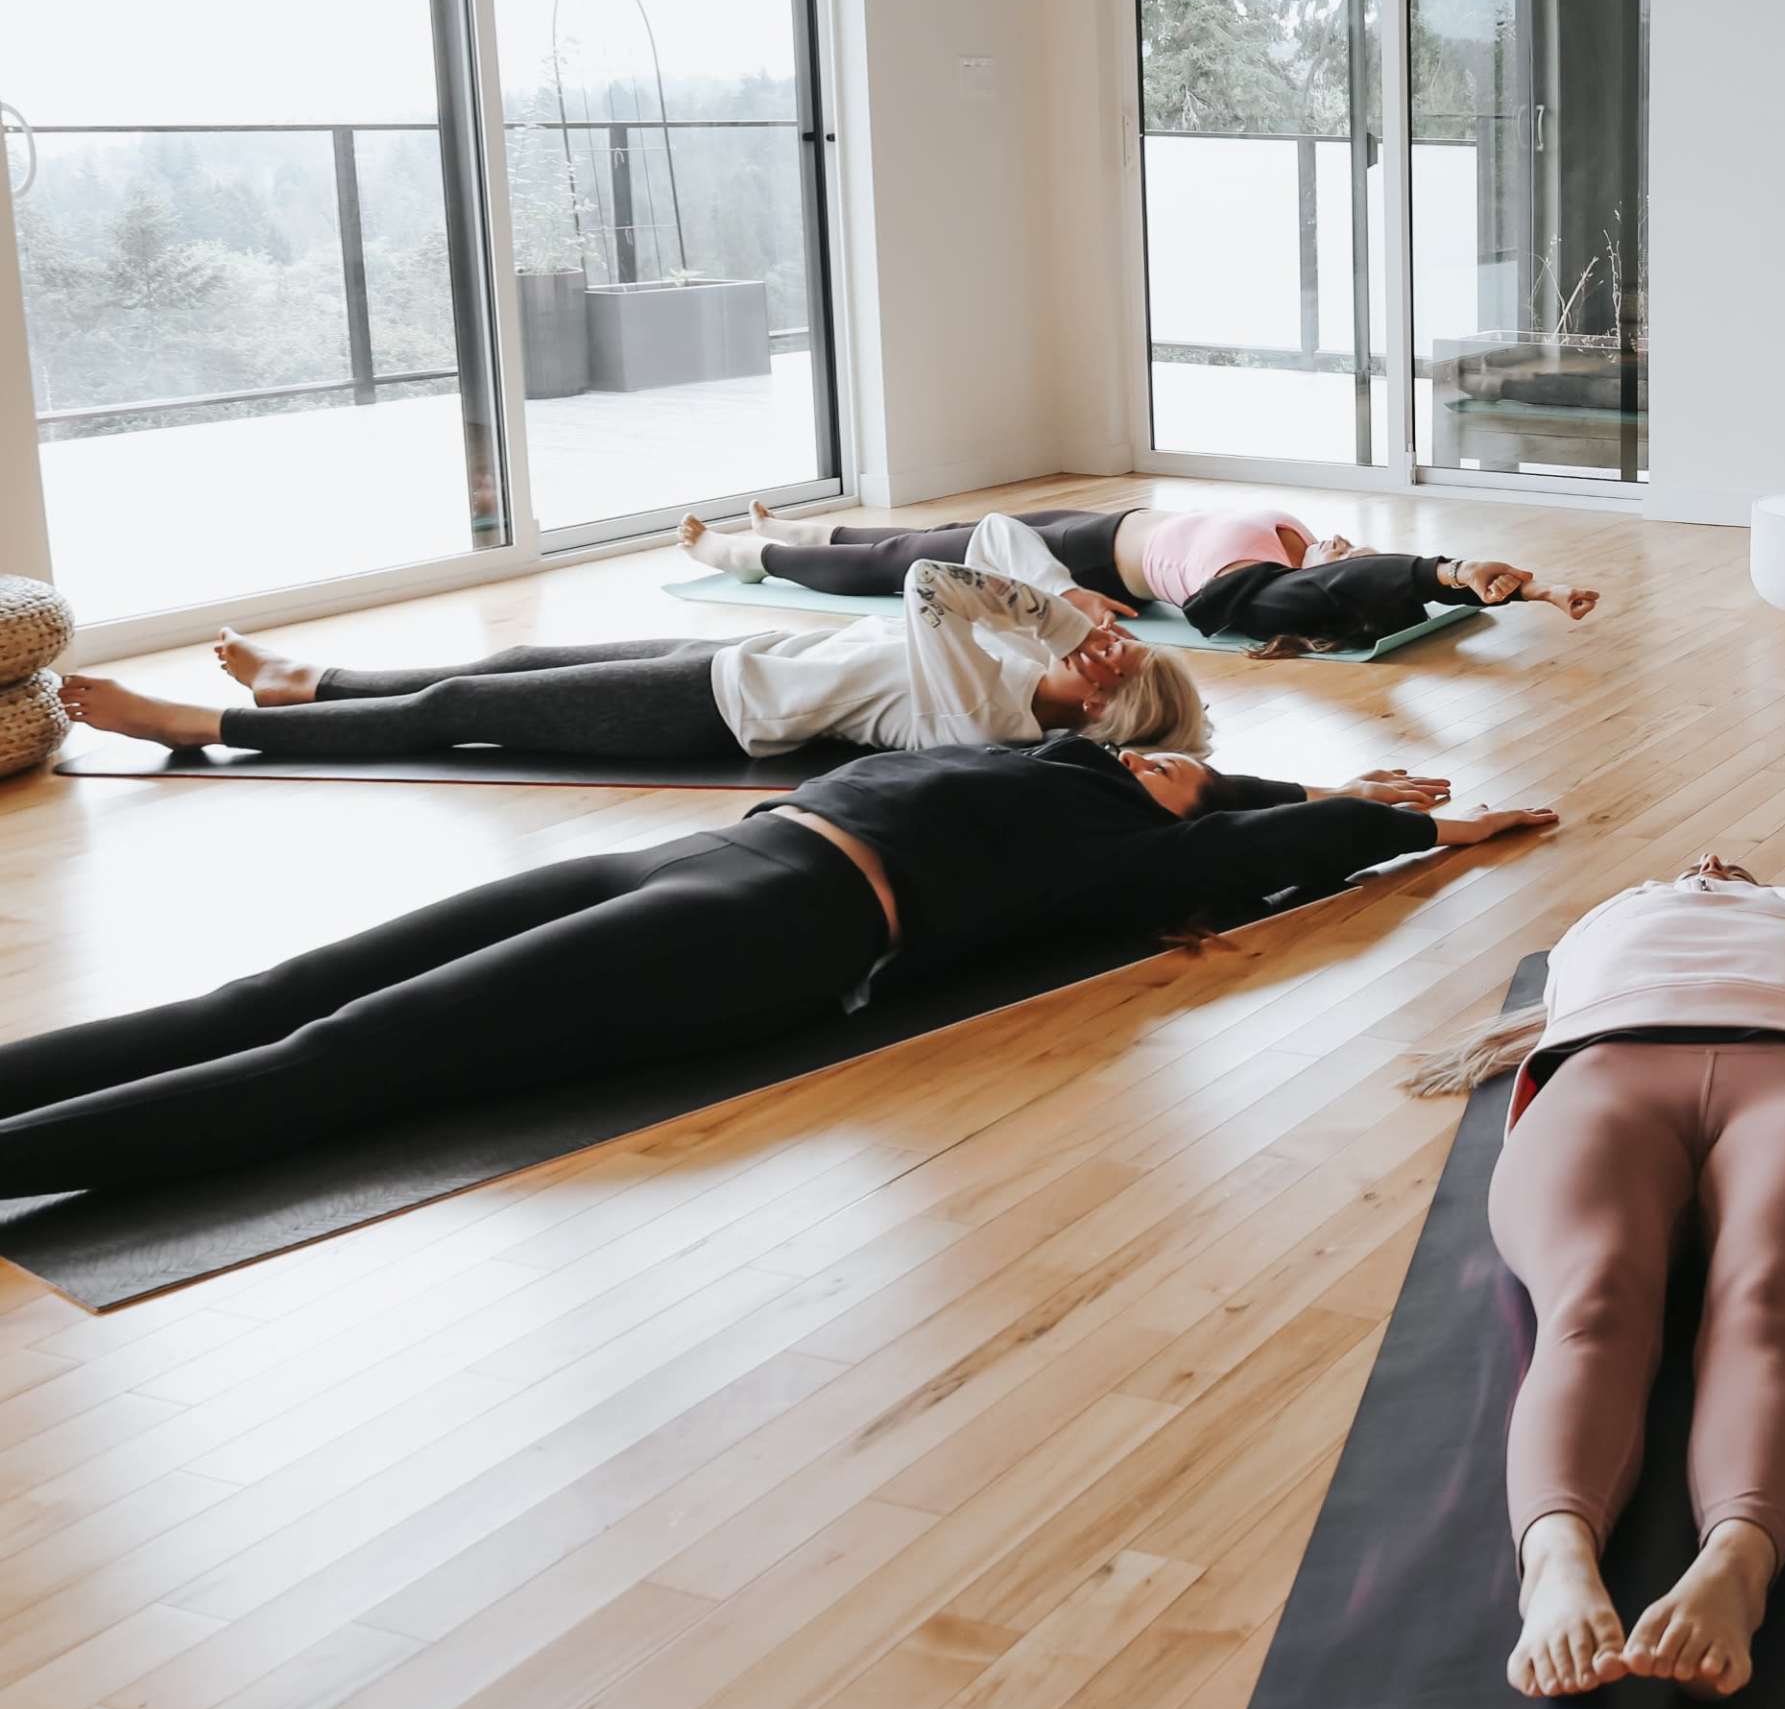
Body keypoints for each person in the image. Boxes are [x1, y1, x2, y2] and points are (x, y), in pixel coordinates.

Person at [0, 734, 1554, 1196]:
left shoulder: (1133, 851)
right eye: (1157, 747)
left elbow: (1291, 837)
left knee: (348, 1052)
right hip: (691, 854)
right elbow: (1252, 784)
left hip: (768, 931)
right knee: (270, 990)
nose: (1163, 756)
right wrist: (1313, 782)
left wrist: (1421, 824)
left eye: (1182, 768)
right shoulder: (1060, 765)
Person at [1404, 859, 1785, 1701]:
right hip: (1606, 1072)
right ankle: (1555, 1562)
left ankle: (1737, 1564)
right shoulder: (1608, 914)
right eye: (1695, 867)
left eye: (1730, 869)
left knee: (1765, 1302)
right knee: (1592, 1298)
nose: (1709, 862)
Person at [56, 523, 1205, 764]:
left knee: (460, 718)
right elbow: (991, 547)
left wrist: (1062, 617)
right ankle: (311, 680)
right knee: (502, 669)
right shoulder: (1022, 673)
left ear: (1099, 714)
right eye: (1120, 649)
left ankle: (204, 725)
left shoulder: (986, 717)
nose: (1105, 651)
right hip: (731, 666)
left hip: (712, 715)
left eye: (1117, 670)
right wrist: (1065, 611)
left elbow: (928, 584)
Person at [681, 499, 1602, 653]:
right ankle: (800, 528)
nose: (1341, 543)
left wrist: (1451, 573)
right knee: (931, 534)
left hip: (1088, 560)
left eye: (1348, 554)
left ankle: (746, 558)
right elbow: (1362, 571)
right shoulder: (1295, 538)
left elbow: (1356, 590)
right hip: (1102, 521)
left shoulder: (1263, 576)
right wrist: (1533, 586)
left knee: (905, 565)